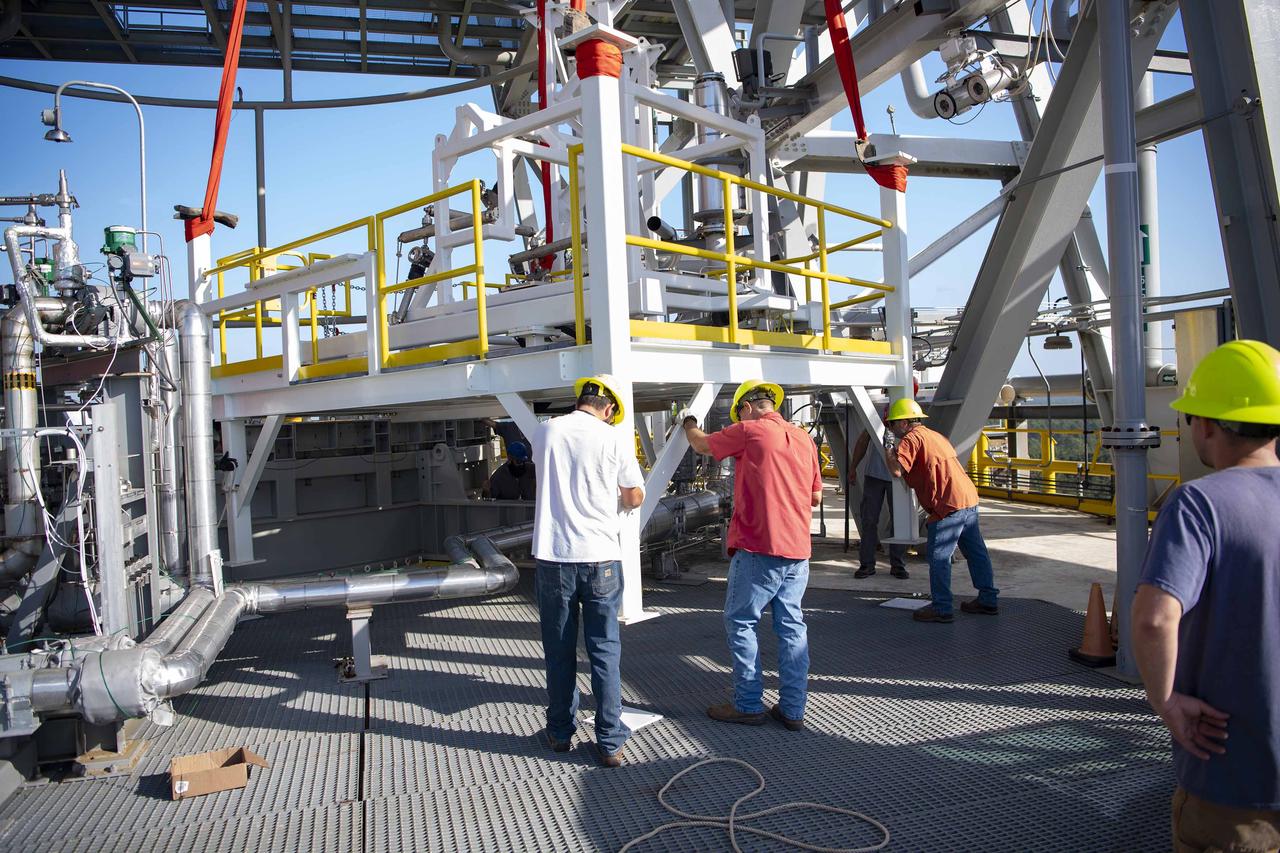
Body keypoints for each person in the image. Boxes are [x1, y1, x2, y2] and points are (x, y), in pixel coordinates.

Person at [1131, 340, 1280, 852]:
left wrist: (1164, 698)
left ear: (1207, 423)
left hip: (1235, 779)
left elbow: (1155, 619)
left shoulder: (1200, 504)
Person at [682, 379, 821, 731]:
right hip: (798, 551)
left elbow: (701, 446)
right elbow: (815, 497)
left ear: (746, 407)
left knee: (742, 622)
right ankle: (793, 710)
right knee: (791, 627)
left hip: (759, 546)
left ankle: (747, 704)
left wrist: (688, 422)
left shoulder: (748, 431)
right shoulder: (804, 439)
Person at [532, 374, 644, 767]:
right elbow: (633, 495)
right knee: (604, 650)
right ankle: (610, 742)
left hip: (554, 557)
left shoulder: (546, 432)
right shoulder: (614, 438)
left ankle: (560, 733)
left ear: (580, 399)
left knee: (559, 652)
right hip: (601, 559)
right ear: (609, 408)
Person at [883, 398, 998, 623]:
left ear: (904, 423)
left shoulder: (911, 439)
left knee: (939, 558)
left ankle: (942, 607)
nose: (891, 429)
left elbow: (896, 471)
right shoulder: (935, 435)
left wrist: (888, 448)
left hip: (947, 506)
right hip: (968, 500)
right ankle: (988, 599)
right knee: (976, 553)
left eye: (892, 424)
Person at [850, 419, 908, 580]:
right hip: (875, 475)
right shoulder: (878, 415)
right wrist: (853, 466)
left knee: (898, 522)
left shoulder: (907, 417)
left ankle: (897, 564)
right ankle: (867, 564)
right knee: (869, 519)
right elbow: (863, 441)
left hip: (897, 478)